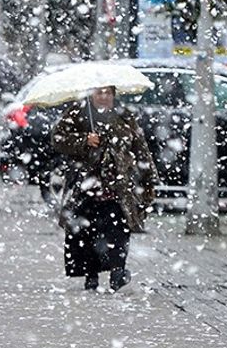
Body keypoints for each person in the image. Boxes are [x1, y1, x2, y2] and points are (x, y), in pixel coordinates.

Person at [51, 86, 158, 291]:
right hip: (85, 187)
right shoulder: (78, 113)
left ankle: (118, 272)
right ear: (92, 94)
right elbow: (58, 139)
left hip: (117, 188)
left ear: (113, 95)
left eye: (107, 93)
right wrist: (84, 140)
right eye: (99, 92)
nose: (103, 96)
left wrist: (148, 180)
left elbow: (140, 148)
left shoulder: (124, 116)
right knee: (87, 233)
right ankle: (91, 276)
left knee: (118, 231)